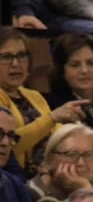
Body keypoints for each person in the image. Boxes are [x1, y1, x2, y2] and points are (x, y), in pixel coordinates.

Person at [0, 27, 58, 168]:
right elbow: (11, 144)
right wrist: (52, 118)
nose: (16, 64)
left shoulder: (34, 96)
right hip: (15, 180)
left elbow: (56, 134)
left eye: (21, 55)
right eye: (7, 57)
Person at [44, 31, 93, 136]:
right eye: (75, 65)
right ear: (62, 71)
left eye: (90, 63)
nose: (84, 70)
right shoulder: (52, 106)